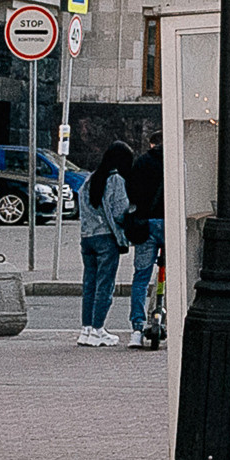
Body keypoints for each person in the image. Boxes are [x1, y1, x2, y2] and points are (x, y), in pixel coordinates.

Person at [76, 143, 132, 347]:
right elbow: (120, 211)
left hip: (87, 237)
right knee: (104, 285)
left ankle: (86, 329)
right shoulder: (115, 180)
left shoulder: (90, 179)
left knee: (89, 284)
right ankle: (99, 329)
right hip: (106, 238)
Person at [123, 134, 164, 346]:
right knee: (173, 277)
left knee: (140, 277)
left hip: (145, 225)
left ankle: (137, 330)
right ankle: (169, 319)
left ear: (152, 144)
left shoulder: (142, 162)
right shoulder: (174, 161)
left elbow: (131, 193)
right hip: (169, 225)